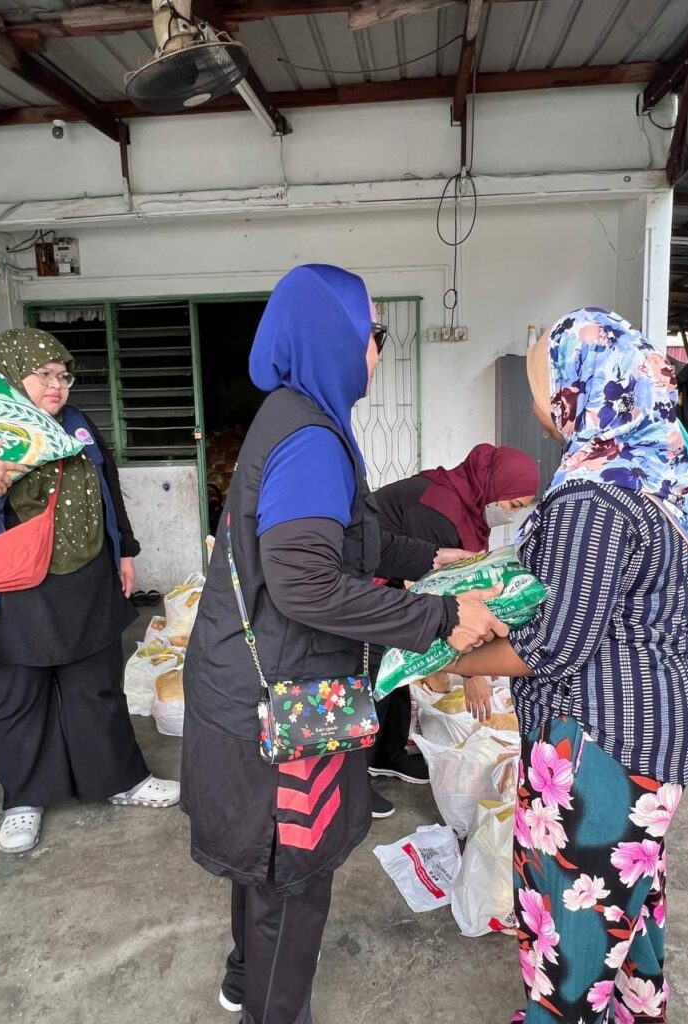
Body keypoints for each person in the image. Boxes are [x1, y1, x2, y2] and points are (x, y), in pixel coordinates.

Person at [179, 265, 506, 1024]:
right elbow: (304, 584)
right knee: (293, 875)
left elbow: (347, 541)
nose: (378, 352)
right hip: (286, 704)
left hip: (248, 688)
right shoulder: (310, 440)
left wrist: (430, 560)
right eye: (374, 335)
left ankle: (241, 977)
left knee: (262, 866)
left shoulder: (292, 416)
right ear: (335, 340)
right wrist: (440, 619)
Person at [450, 308, 688, 1024]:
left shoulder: (592, 495)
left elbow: (551, 647)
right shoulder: (653, 476)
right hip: (655, 725)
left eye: (548, 377)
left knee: (574, 926)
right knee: (626, 909)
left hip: (602, 739)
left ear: (583, 383)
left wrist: (456, 656)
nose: (543, 399)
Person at [0, 328, 179, 855]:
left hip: (88, 578)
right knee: (17, 697)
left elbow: (108, 488)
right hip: (16, 588)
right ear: (9, 374)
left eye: (63, 374)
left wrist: (125, 551)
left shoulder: (77, 425)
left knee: (95, 688)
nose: (57, 385)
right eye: (43, 374)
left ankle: (122, 780)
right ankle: (23, 800)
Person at [369, 445, 539, 790]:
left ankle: (388, 755)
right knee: (376, 672)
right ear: (494, 488)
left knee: (399, 669)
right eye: (511, 506)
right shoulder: (440, 511)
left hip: (392, 582)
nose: (511, 515)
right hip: (363, 584)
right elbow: (437, 591)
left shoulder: (466, 504)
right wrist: (471, 671)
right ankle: (358, 776)